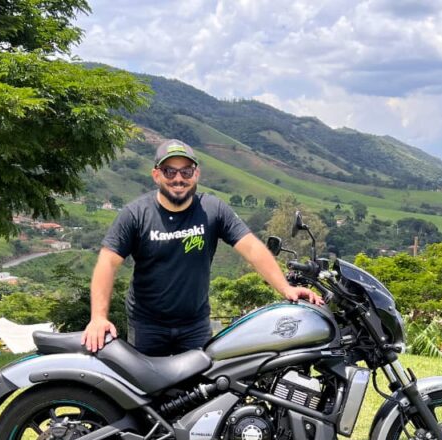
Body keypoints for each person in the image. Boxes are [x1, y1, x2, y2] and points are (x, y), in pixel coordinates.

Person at [81, 139, 322, 355]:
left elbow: (252, 248)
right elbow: (107, 262)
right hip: (147, 325)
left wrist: (285, 288)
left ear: (196, 174)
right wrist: (98, 317)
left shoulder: (212, 209)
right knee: (146, 390)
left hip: (194, 325)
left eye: (186, 171)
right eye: (169, 171)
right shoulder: (136, 214)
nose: (178, 178)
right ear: (156, 175)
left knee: (201, 390)